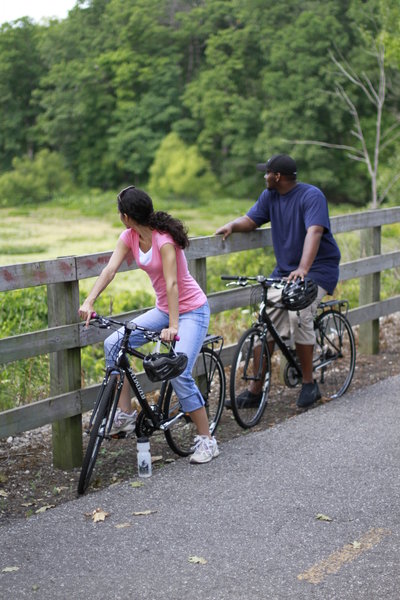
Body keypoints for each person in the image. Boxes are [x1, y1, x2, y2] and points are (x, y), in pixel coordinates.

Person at [79, 186, 219, 464]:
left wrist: (174, 326)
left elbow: (172, 284)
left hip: (191, 311)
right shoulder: (129, 236)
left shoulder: (164, 240)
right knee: (114, 343)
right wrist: (90, 300)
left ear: (126, 216)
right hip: (164, 309)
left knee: (179, 370)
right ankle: (125, 415)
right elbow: (110, 270)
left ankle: (207, 440)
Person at [215, 154, 341, 408]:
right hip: (285, 271)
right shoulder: (270, 197)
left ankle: (309, 383)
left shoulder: (311, 196)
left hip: (318, 268)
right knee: (266, 320)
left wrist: (303, 269)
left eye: (267, 173)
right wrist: (232, 225)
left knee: (300, 313)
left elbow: (314, 231)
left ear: (278, 176)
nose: (264, 176)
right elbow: (252, 220)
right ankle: (254, 390)